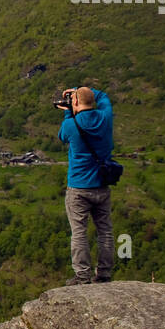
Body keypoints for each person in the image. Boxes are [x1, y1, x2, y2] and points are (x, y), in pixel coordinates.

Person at [57, 85, 114, 284]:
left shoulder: (71, 124)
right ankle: (104, 274)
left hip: (78, 187)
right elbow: (104, 96)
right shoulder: (106, 117)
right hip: (102, 185)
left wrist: (68, 113)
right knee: (105, 230)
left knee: (79, 231)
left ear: (75, 103)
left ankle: (82, 276)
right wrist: (80, 91)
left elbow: (62, 136)